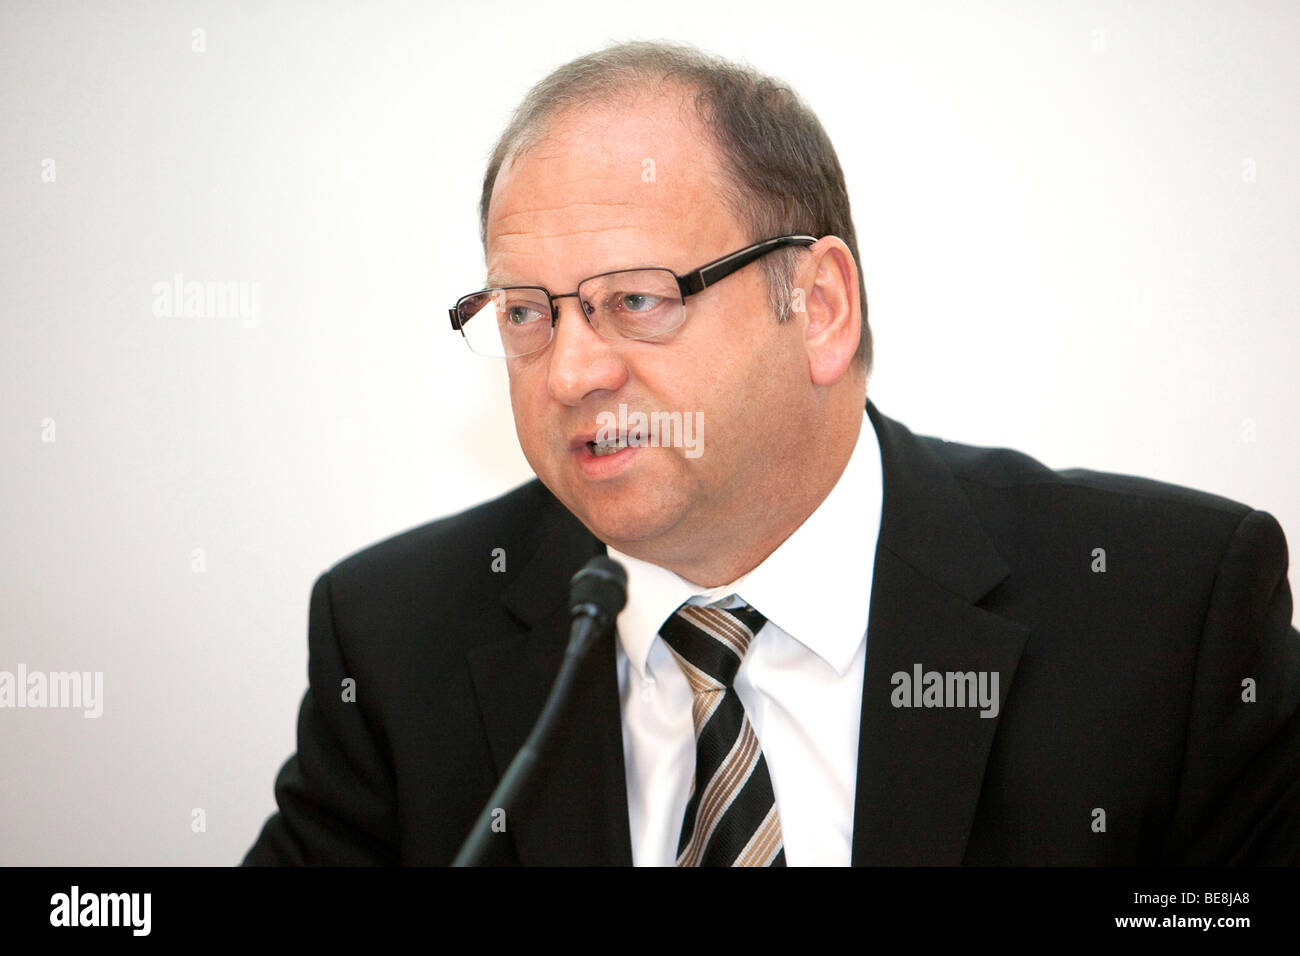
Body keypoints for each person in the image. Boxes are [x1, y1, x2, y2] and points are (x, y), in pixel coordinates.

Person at [243, 40, 1300, 866]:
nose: (570, 373)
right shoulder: (399, 642)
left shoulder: (1167, 614)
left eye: (636, 300)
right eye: (526, 313)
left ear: (819, 305)